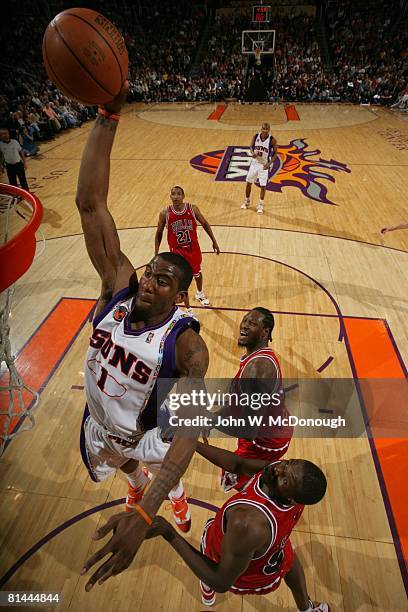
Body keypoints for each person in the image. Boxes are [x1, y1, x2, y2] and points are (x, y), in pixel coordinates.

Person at [77, 85, 209, 590]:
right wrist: (107, 115)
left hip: (149, 436)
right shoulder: (116, 286)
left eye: (163, 281)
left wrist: (147, 513)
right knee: (121, 463)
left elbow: (191, 432)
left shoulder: (186, 346)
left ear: (180, 297)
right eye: (149, 273)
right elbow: (91, 206)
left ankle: (165, 498)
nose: (149, 282)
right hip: (97, 425)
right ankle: (137, 482)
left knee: (161, 450)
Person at [143, 441, 329, 611]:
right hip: (276, 547)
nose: (279, 469)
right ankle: (307, 608)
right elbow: (239, 464)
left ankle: (205, 588)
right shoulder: (281, 476)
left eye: (286, 480)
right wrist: (192, 443)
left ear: (291, 498)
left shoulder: (248, 524)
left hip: (247, 571)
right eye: (288, 463)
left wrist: (167, 532)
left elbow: (221, 581)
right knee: (291, 563)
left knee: (211, 566)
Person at [217, 307, 293, 491]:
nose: (244, 326)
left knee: (245, 484)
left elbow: (247, 429)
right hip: (275, 428)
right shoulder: (257, 357)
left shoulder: (257, 369)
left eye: (252, 323)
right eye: (244, 320)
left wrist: (205, 420)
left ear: (265, 332)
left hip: (264, 443)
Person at [155, 185, 220, 308]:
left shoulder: (192, 209)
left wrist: (214, 241)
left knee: (197, 273)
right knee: (181, 281)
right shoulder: (165, 213)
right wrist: (156, 252)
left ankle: (200, 294)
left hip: (193, 248)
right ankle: (188, 308)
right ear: (170, 197)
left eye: (179, 194)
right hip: (177, 251)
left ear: (183, 196)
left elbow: (205, 224)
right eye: (173, 194)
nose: (176, 196)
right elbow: (159, 233)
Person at [241, 122, 278, 214]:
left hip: (263, 165)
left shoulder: (272, 140)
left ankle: (260, 205)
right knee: (249, 182)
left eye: (266, 129)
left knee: (263, 186)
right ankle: (246, 201)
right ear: (261, 129)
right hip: (254, 163)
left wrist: (269, 164)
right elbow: (250, 146)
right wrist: (252, 153)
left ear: (269, 130)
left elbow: (276, 154)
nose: (265, 130)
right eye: (263, 128)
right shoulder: (256, 136)